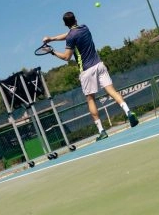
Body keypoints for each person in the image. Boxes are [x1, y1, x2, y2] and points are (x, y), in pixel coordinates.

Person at [43, 11, 139, 141]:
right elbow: (69, 35)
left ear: (65, 24)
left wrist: (52, 51)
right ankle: (128, 111)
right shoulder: (84, 28)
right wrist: (52, 39)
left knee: (91, 99)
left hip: (87, 71)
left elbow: (67, 57)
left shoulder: (71, 36)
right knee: (112, 91)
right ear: (75, 19)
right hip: (99, 65)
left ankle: (101, 131)